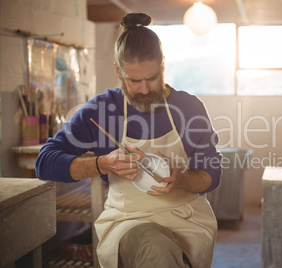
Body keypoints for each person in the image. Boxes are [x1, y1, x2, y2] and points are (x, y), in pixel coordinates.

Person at [36, 12, 222, 268]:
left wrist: (182, 178)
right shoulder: (100, 111)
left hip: (186, 218)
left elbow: (213, 172)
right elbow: (44, 162)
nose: (145, 89)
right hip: (128, 220)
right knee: (154, 247)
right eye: (135, 81)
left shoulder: (189, 107)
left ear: (163, 66)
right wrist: (101, 164)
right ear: (118, 71)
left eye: (152, 78)